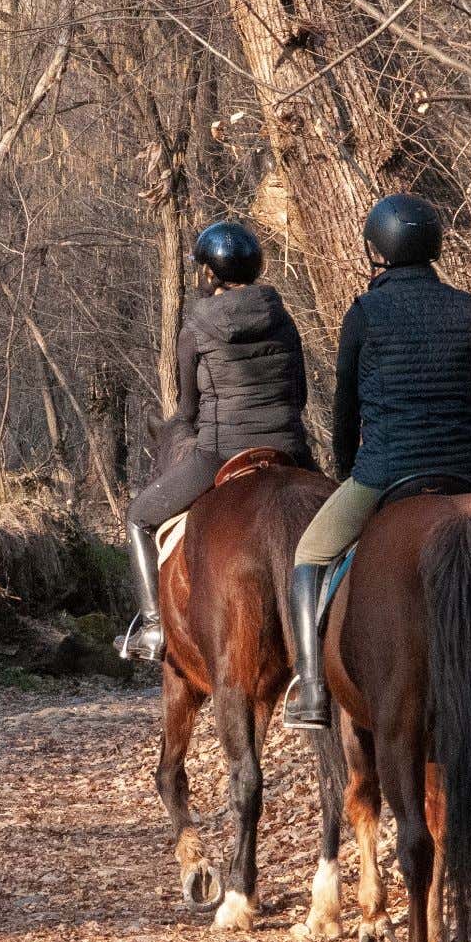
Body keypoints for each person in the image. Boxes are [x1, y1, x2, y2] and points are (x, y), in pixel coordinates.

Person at [282, 193, 471, 731]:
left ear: (377, 249)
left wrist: (348, 468)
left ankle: (311, 688)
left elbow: (346, 407)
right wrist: (466, 457)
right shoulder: (465, 308)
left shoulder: (364, 313)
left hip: (385, 472)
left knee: (310, 554)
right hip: (465, 472)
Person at [117, 221, 312, 662]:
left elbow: (188, 411)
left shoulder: (195, 328)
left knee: (139, 517)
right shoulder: (282, 318)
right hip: (289, 449)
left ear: (209, 273)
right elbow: (298, 395)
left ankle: (153, 628)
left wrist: (177, 427)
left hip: (220, 452)